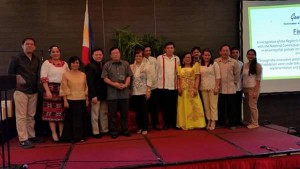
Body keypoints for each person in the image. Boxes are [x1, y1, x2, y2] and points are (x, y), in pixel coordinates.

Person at [7, 38, 42, 148]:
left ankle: (31, 136)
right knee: (21, 116)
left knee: (31, 116)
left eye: (32, 44)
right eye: (27, 44)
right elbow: (10, 74)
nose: (29, 46)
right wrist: (17, 86)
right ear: (22, 46)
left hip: (34, 91)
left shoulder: (36, 59)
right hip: (21, 91)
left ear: (34, 47)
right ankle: (23, 139)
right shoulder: (16, 58)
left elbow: (37, 75)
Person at [101, 47, 133, 139]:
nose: (116, 54)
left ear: (120, 53)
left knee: (125, 113)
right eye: (114, 53)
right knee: (113, 115)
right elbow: (104, 78)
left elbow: (129, 76)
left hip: (124, 94)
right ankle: (114, 131)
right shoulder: (107, 65)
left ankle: (125, 130)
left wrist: (126, 84)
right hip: (112, 94)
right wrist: (114, 84)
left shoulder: (126, 63)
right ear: (110, 55)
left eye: (117, 52)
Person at [40, 45, 69, 142]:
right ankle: (54, 133)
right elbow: (43, 78)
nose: (55, 53)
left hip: (62, 90)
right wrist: (47, 90)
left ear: (60, 53)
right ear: (50, 53)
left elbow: (68, 76)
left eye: (57, 51)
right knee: (51, 114)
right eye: (53, 52)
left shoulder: (64, 64)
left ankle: (61, 133)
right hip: (50, 89)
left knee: (61, 114)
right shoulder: (46, 63)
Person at [59, 56, 89, 142]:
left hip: (82, 99)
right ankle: (71, 137)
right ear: (70, 64)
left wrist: (87, 99)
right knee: (71, 120)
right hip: (70, 100)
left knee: (81, 119)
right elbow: (64, 88)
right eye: (73, 63)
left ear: (79, 64)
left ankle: (81, 136)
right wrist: (65, 100)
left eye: (77, 63)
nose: (75, 64)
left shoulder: (83, 74)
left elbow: (85, 87)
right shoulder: (65, 74)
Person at [177, 52, 206, 130]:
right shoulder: (179, 68)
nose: (188, 59)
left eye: (189, 57)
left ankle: (197, 123)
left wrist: (195, 88)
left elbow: (197, 78)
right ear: (183, 59)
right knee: (183, 107)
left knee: (194, 106)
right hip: (183, 91)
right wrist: (179, 88)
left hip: (192, 90)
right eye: (186, 57)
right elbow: (178, 79)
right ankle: (184, 123)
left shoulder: (195, 67)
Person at [215, 44, 240, 129]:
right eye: (224, 50)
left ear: (229, 52)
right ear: (220, 52)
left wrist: (235, 83)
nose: (225, 52)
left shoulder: (234, 62)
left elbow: (237, 75)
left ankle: (232, 123)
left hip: (231, 88)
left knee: (232, 107)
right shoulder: (216, 61)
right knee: (220, 107)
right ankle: (221, 122)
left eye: (227, 51)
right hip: (220, 88)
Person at [156, 42, 180, 130]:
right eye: (168, 48)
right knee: (165, 106)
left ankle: (173, 123)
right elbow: (156, 71)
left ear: (174, 49)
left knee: (173, 106)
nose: (170, 49)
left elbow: (178, 73)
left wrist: (178, 85)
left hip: (173, 86)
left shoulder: (176, 58)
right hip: (162, 86)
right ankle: (166, 123)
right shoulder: (159, 58)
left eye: (171, 48)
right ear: (165, 49)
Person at [85, 48, 108, 138]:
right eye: (96, 55)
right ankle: (96, 132)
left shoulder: (104, 65)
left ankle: (104, 130)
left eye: (100, 54)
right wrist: (93, 95)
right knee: (95, 114)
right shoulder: (89, 66)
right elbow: (90, 82)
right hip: (95, 95)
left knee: (104, 113)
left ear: (102, 55)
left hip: (104, 94)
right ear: (92, 56)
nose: (99, 56)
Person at [130, 49, 152, 135]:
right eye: (136, 56)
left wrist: (148, 90)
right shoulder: (131, 66)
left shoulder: (147, 66)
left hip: (144, 92)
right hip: (134, 92)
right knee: (137, 111)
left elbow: (150, 79)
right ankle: (139, 127)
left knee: (144, 111)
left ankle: (145, 127)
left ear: (143, 57)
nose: (138, 57)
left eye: (140, 56)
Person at [199, 49, 221, 130]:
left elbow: (218, 77)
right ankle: (208, 120)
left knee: (213, 105)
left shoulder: (214, 64)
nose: (207, 56)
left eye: (208, 55)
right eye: (205, 55)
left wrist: (217, 87)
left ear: (210, 56)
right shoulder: (199, 65)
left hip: (213, 87)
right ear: (202, 56)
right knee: (206, 106)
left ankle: (213, 121)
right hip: (203, 87)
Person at [242, 49, 262, 129]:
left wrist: (255, 91)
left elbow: (258, 79)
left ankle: (255, 123)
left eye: (252, 54)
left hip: (253, 88)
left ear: (255, 55)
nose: (250, 56)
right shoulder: (245, 65)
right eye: (249, 54)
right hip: (245, 88)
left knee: (253, 106)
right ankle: (251, 120)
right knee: (250, 106)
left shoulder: (258, 65)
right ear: (246, 55)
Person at [143, 45, 161, 130]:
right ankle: (146, 125)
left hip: (154, 86)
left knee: (155, 107)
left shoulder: (154, 59)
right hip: (144, 88)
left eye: (149, 50)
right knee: (145, 108)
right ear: (143, 52)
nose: (148, 52)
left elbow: (157, 71)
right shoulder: (140, 60)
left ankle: (155, 124)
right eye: (146, 50)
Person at [230, 47, 243, 123]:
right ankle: (232, 121)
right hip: (231, 88)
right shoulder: (229, 62)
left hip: (239, 88)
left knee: (238, 104)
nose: (235, 54)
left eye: (237, 52)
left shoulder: (241, 63)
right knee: (232, 106)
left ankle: (239, 120)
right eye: (233, 52)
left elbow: (241, 76)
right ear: (231, 54)